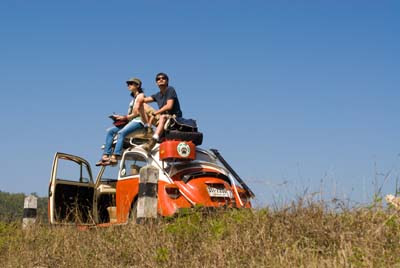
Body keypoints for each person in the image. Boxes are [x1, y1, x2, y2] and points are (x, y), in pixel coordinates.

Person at [96, 78, 149, 166]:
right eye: (128, 84)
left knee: (121, 133)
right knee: (110, 131)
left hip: (139, 122)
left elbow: (136, 113)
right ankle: (106, 155)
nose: (128, 85)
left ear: (138, 85)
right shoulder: (133, 99)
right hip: (131, 121)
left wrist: (123, 117)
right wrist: (119, 118)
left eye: (131, 84)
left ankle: (115, 156)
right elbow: (131, 115)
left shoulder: (141, 96)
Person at [142, 72, 182, 151]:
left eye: (163, 78)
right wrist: (138, 92)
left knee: (163, 116)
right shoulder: (157, 95)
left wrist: (155, 113)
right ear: (156, 82)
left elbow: (169, 106)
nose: (161, 80)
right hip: (162, 119)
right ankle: (146, 127)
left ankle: (154, 140)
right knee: (142, 105)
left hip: (174, 118)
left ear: (167, 81)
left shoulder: (170, 89)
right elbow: (143, 100)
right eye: (158, 79)